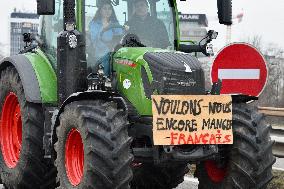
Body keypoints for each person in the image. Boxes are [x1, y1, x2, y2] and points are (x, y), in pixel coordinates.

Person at [89, 1, 123, 76]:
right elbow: (94, 39)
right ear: (100, 10)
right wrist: (103, 29)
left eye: (109, 9)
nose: (107, 11)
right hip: (100, 53)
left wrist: (125, 29)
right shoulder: (94, 23)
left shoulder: (114, 23)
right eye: (105, 9)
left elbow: (120, 36)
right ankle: (105, 80)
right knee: (106, 60)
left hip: (115, 53)